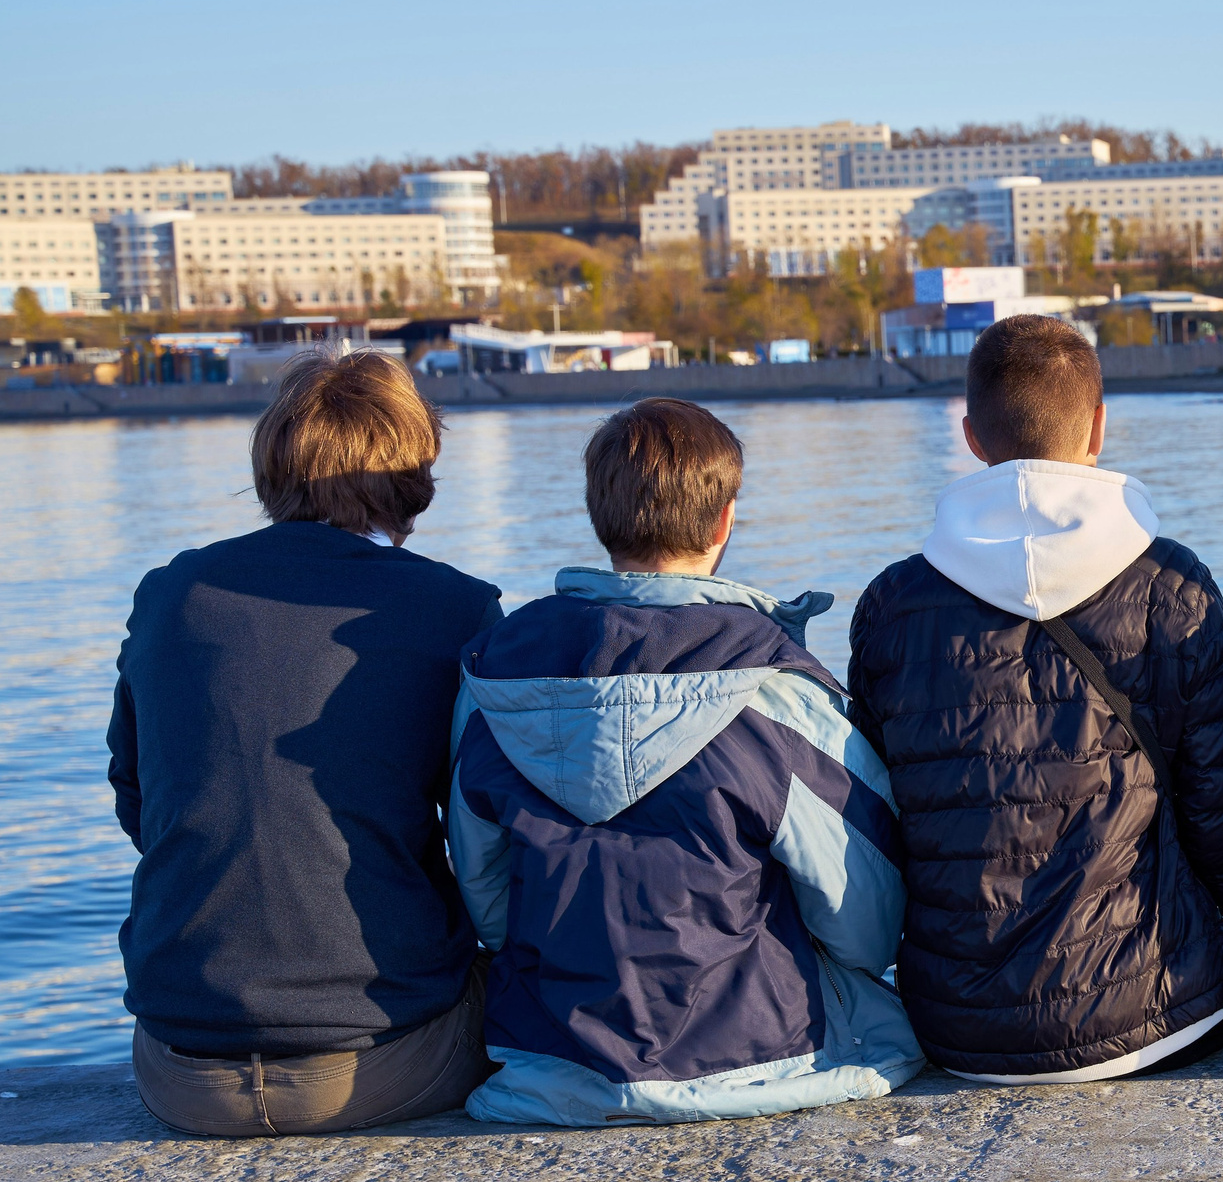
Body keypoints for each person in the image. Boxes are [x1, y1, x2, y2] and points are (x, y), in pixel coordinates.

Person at [447, 399, 920, 1124]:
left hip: (551, 1058)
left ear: (599, 518)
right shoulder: (774, 693)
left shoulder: (496, 687)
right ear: (725, 521)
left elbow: (488, 901)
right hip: (763, 1055)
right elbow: (867, 922)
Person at [847, 314, 1223, 1083]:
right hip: (1154, 1012)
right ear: (1098, 426)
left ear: (972, 436)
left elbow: (879, 821)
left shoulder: (891, 606)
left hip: (957, 1025)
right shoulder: (1171, 587)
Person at [110, 352, 504, 1136]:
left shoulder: (172, 594)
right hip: (384, 1060)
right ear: (415, 468)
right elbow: (493, 828)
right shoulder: (455, 606)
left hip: (180, 1066)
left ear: (274, 459)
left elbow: (139, 801)